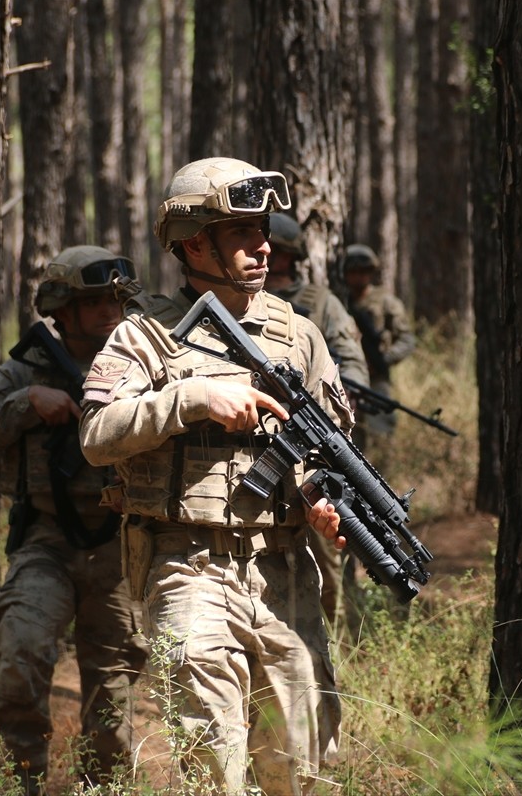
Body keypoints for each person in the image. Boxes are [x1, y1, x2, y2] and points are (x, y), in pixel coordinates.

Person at [78, 157, 349, 796]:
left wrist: (320, 496)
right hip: (187, 566)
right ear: (194, 242)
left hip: (284, 570)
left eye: (263, 230)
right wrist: (192, 398)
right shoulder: (142, 337)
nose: (263, 245)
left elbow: (329, 444)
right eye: (241, 233)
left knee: (302, 766)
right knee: (211, 766)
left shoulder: (299, 336)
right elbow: (95, 435)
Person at [0, 246, 147, 795]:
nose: (109, 311)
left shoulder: (146, 365)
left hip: (119, 548)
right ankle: (26, 784)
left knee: (111, 703)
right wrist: (26, 403)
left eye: (116, 299)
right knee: (21, 656)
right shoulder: (25, 369)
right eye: (94, 301)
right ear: (61, 309)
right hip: (45, 542)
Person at [265, 211, 368, 626]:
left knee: (328, 552)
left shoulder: (320, 304)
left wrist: (344, 397)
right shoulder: (233, 304)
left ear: (292, 257)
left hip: (313, 447)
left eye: (279, 253)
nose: (268, 258)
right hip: (257, 445)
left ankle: (338, 636)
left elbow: (354, 364)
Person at [340, 243, 416, 441]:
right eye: (353, 271)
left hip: (376, 382)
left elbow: (407, 339)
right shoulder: (338, 302)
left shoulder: (386, 302)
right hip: (344, 380)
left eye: (363, 271)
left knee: (380, 436)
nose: (358, 277)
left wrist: (382, 359)